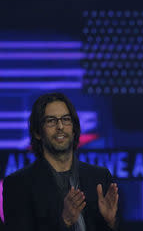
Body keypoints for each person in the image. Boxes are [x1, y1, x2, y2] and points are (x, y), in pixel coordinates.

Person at [2, 92, 119, 231]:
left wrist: (111, 223)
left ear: (74, 129)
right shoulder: (18, 185)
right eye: (51, 121)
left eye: (66, 119)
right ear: (37, 132)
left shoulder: (100, 177)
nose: (60, 127)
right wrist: (64, 222)